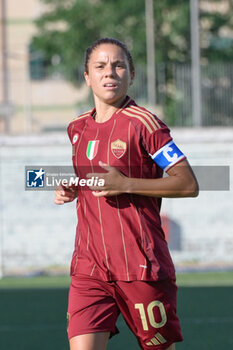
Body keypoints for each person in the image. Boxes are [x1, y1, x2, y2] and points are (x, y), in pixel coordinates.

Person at [54, 37, 199, 350]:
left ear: (131, 75)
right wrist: (72, 188)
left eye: (119, 65)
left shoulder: (146, 124)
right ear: (87, 77)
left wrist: (128, 184)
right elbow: (96, 181)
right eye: (101, 66)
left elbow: (188, 183)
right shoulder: (77, 128)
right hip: (88, 267)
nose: (110, 73)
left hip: (140, 266)